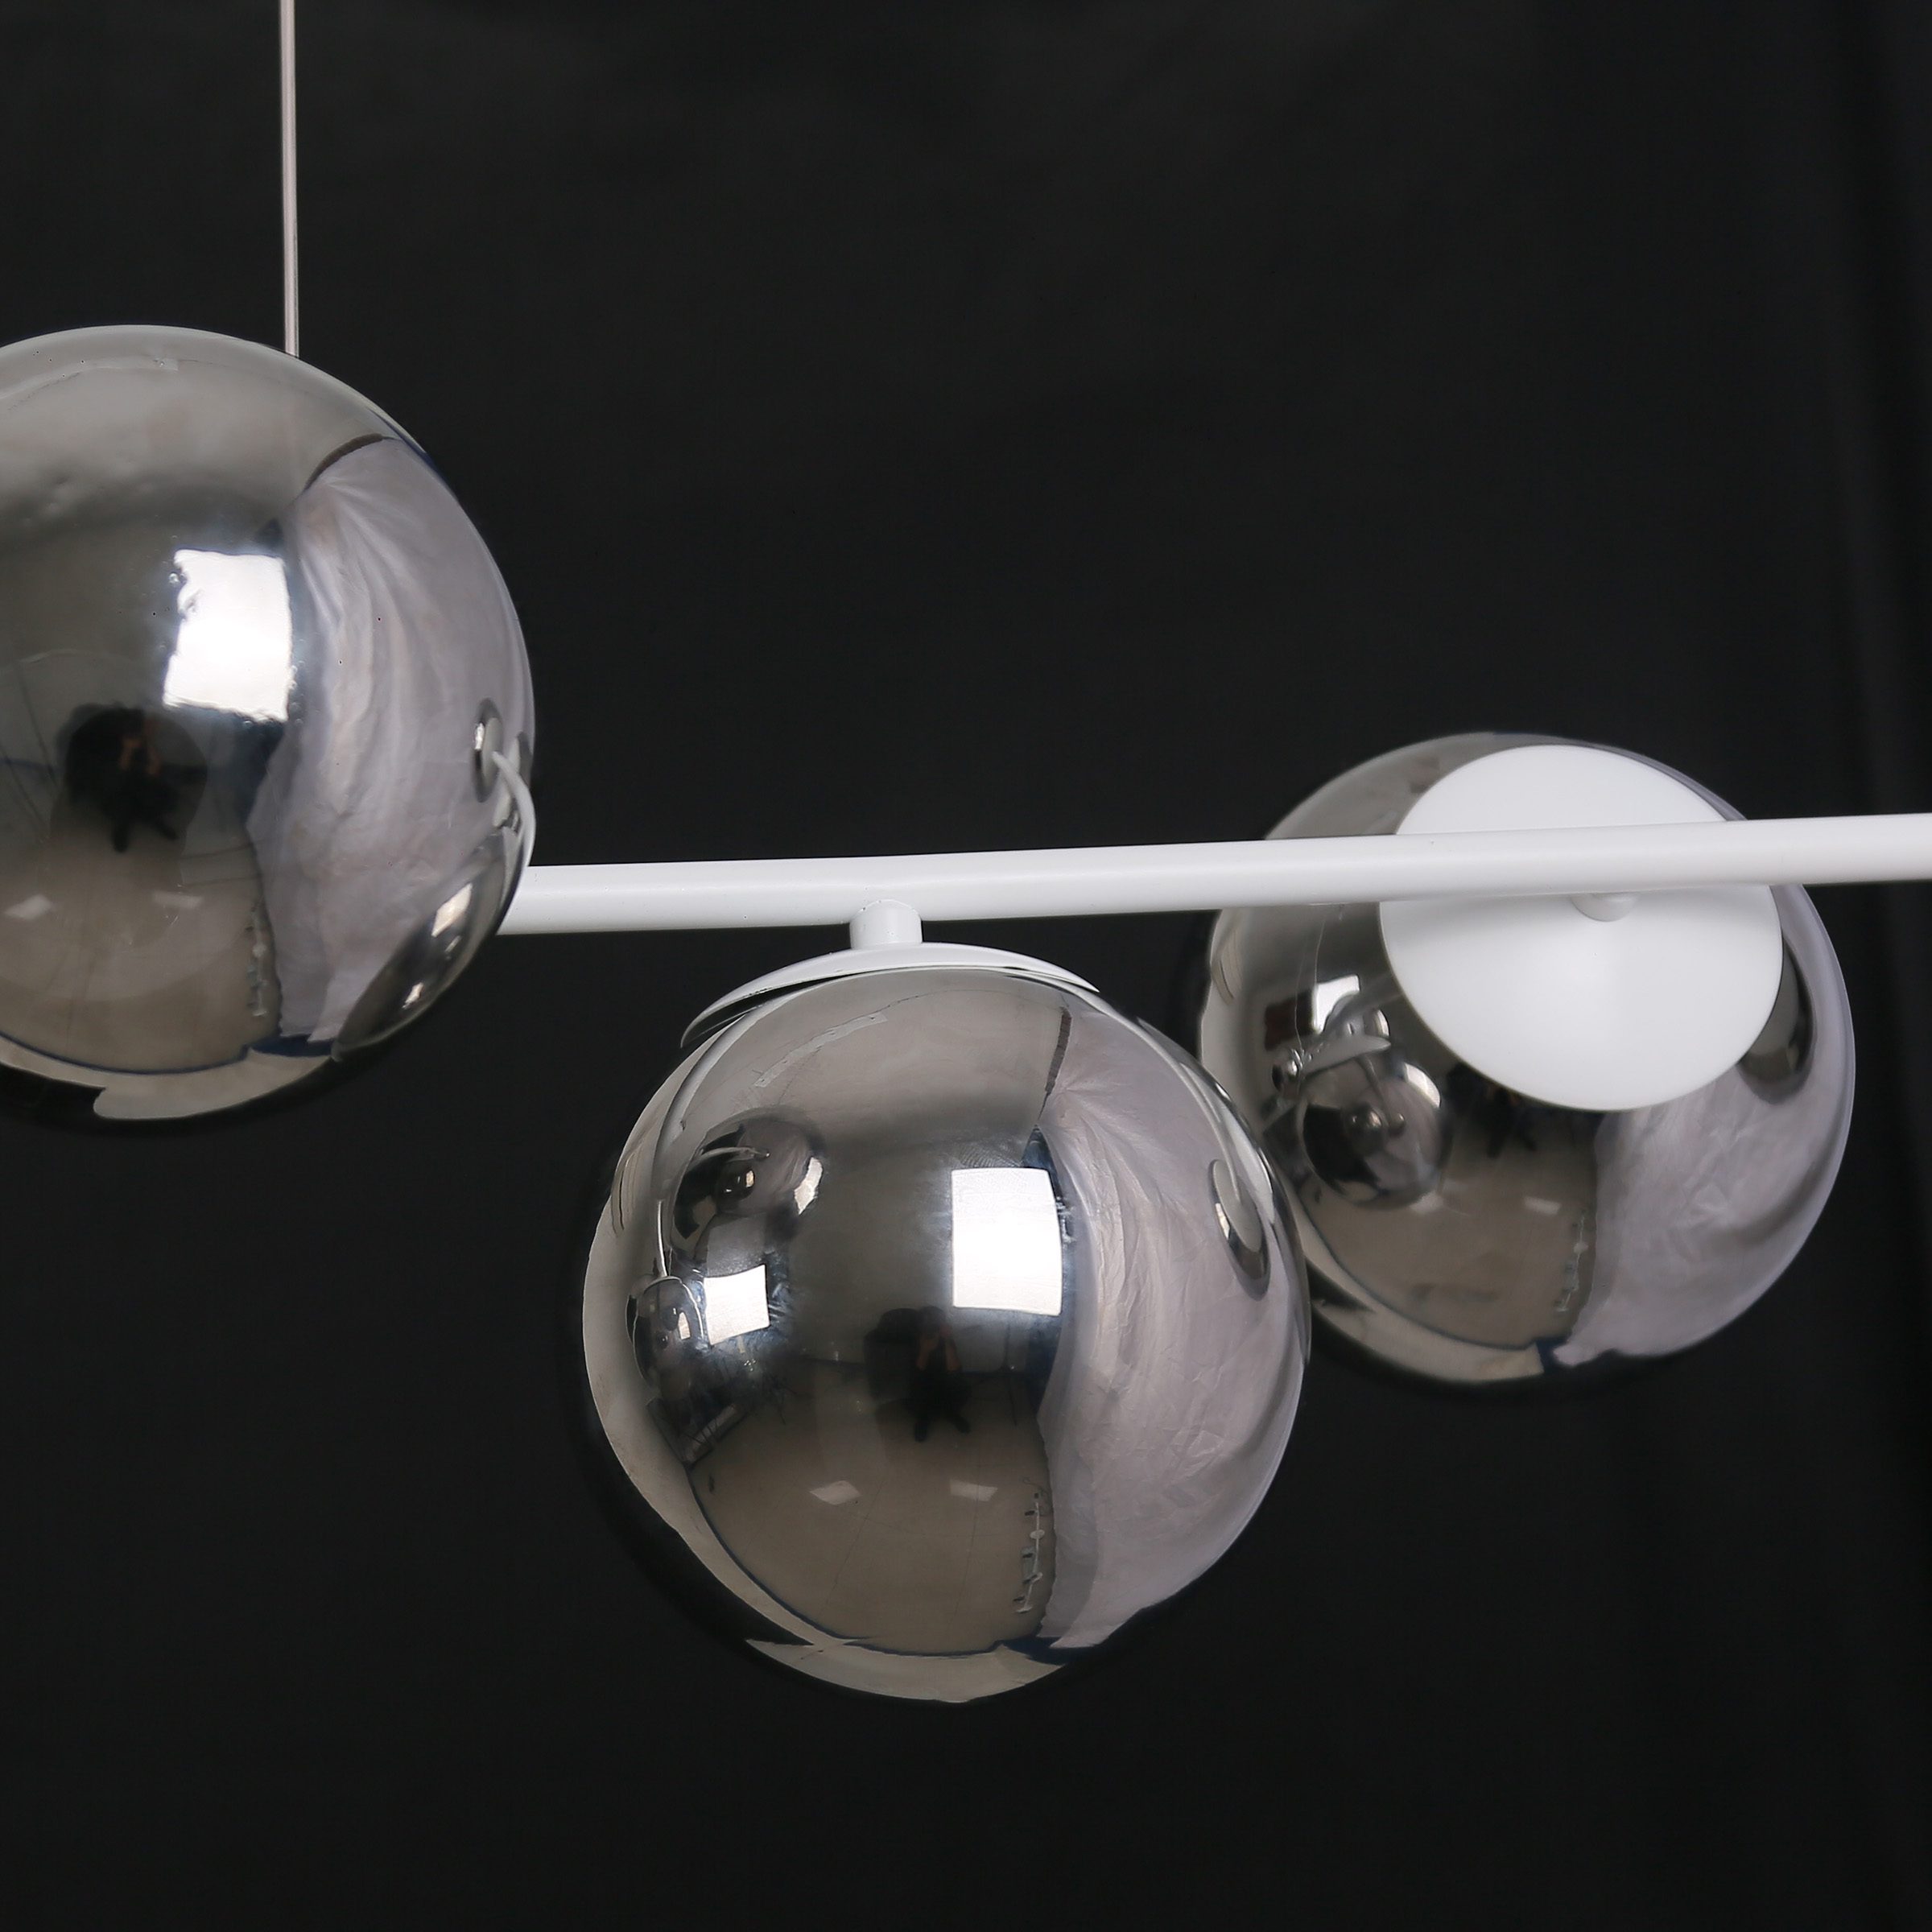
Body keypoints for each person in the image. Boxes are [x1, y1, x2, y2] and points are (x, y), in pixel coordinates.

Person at [909, 1304, 969, 1442]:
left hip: (944, 1380)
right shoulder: (915, 1339)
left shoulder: (945, 1339)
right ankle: (923, 1419)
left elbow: (954, 1369)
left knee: (960, 1384)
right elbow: (917, 1374)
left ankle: (952, 1413)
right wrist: (925, 1350)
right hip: (923, 1382)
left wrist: (947, 1340)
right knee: (917, 1390)